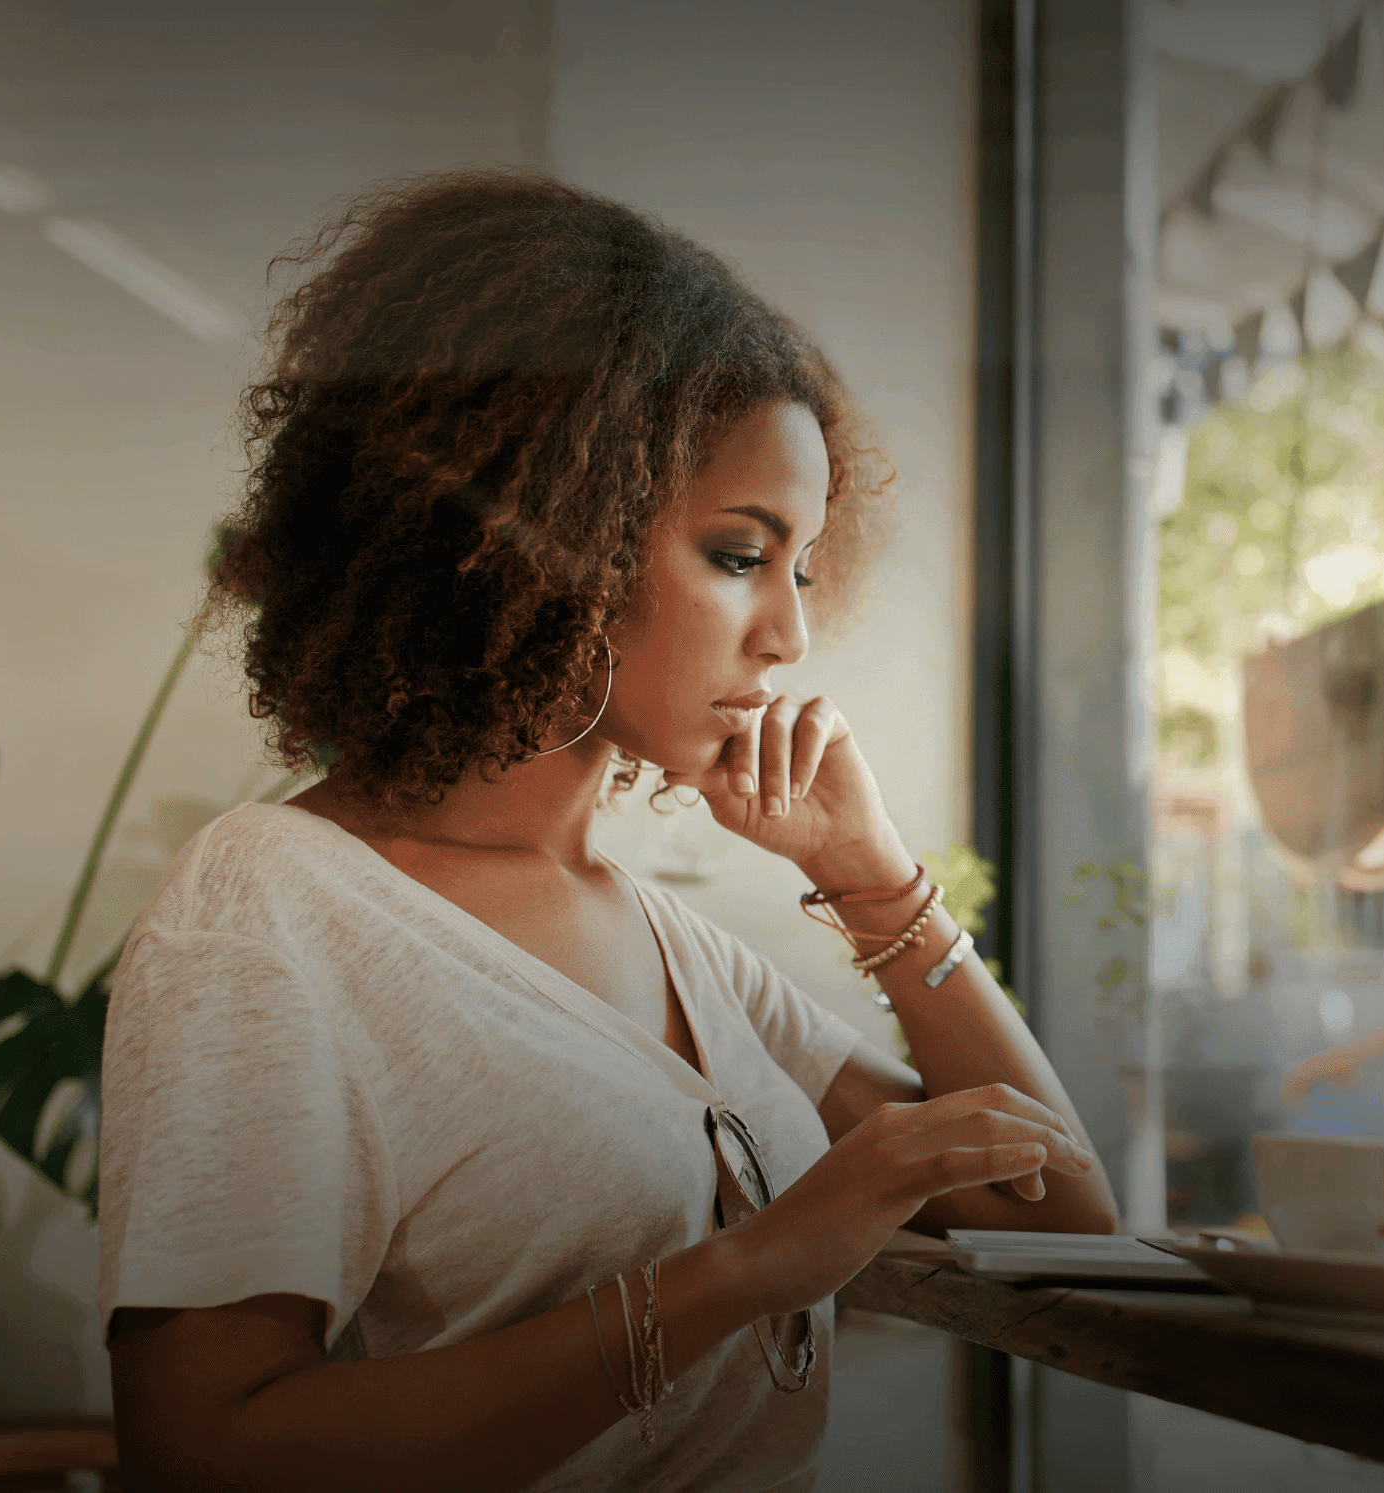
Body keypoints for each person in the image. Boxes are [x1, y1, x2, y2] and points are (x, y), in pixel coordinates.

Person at [97, 169, 1119, 1493]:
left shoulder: (675, 946)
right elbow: (204, 1453)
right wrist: (749, 1268)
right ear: (550, 538)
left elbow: (1065, 1217)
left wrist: (871, 878)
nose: (792, 635)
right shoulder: (272, 906)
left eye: (802, 568)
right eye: (742, 555)